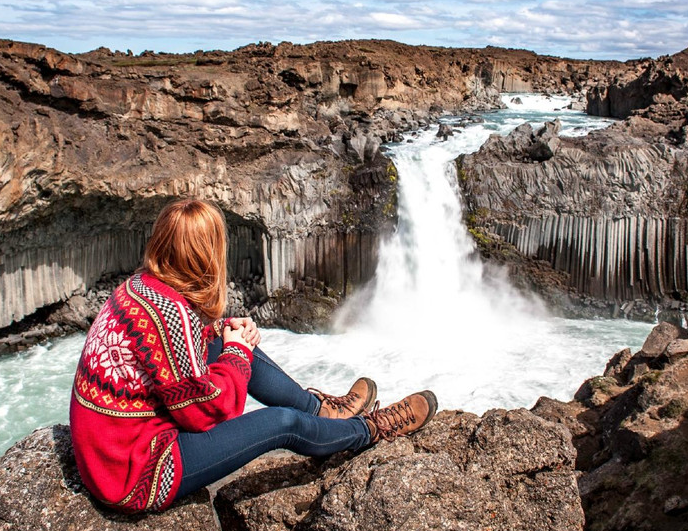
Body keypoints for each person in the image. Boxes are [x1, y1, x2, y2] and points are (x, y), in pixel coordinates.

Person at [69, 198, 438, 513]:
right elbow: (208, 413)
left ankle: (323, 412)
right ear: (208, 252)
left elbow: (172, 359)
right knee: (281, 423)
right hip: (136, 473)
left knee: (221, 339)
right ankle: (369, 430)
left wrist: (225, 337)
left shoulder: (137, 287)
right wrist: (238, 351)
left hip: (111, 451)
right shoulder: (169, 314)